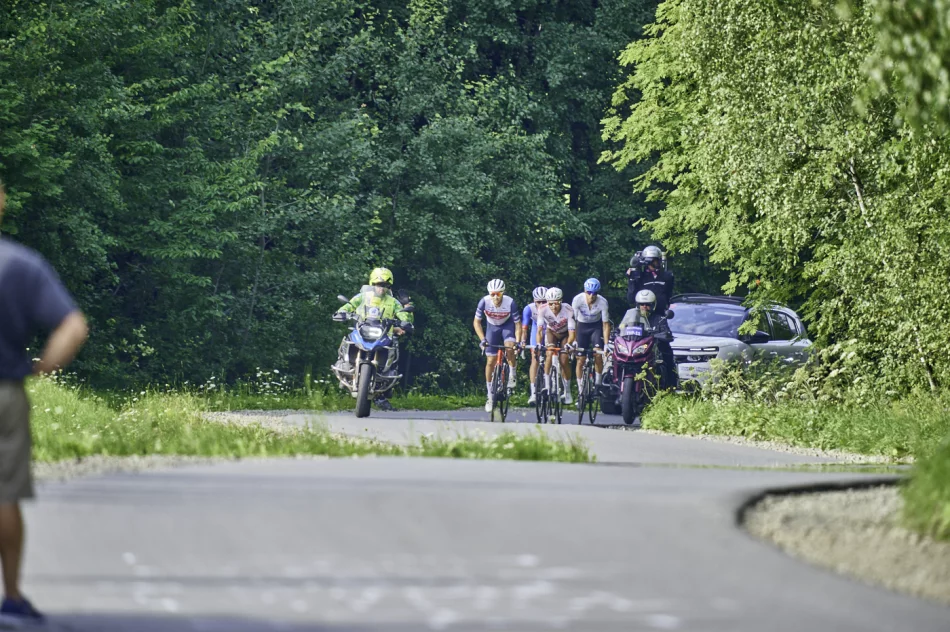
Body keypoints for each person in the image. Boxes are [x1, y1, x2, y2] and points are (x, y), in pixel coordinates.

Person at [0, 183, 89, 625]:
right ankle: (12, 596)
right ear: (2, 202)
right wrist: (44, 367)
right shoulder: (20, 264)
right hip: (3, 390)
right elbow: (73, 326)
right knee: (3, 494)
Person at [333, 268, 413, 410]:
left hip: (383, 335)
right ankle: (343, 362)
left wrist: (406, 312)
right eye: (379, 284)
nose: (382, 288)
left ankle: (385, 383)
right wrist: (342, 312)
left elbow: (404, 316)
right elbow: (349, 305)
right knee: (348, 339)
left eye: (386, 285)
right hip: (362, 330)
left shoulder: (393, 302)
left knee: (393, 347)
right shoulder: (362, 297)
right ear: (372, 283)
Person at [473, 279, 522, 413]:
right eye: (493, 294)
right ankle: (490, 396)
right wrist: (482, 339)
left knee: (510, 347)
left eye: (498, 294)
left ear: (503, 293)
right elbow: (476, 323)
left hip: (507, 326)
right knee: (490, 361)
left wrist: (518, 342)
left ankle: (512, 374)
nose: (495, 297)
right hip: (492, 327)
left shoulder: (510, 303)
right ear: (489, 294)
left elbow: (517, 325)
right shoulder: (484, 302)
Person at [618, 289, 675, 389]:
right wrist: (617, 332)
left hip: (650, 349)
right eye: (641, 304)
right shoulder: (632, 317)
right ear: (637, 305)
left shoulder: (659, 319)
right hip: (632, 348)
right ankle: (613, 380)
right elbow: (621, 328)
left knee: (667, 355)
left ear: (653, 305)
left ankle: (670, 385)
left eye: (647, 304)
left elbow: (666, 331)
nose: (644, 306)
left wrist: (663, 334)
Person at [571, 278, 610, 401]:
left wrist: (606, 344)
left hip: (595, 328)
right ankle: (580, 389)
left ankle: (598, 384)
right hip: (581, 327)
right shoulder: (577, 300)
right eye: (589, 292)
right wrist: (574, 339)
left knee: (598, 354)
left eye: (594, 293)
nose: (591, 296)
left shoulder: (602, 302)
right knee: (580, 359)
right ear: (585, 291)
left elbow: (605, 324)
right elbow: (573, 321)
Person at [536, 287, 576, 405]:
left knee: (564, 360)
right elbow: (539, 331)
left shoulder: (568, 309)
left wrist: (569, 344)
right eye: (551, 304)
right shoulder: (542, 309)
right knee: (549, 353)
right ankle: (547, 386)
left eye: (556, 303)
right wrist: (538, 344)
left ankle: (567, 391)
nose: (553, 306)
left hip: (565, 334)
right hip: (551, 332)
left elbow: (572, 333)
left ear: (561, 301)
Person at [626, 245, 674, 314]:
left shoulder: (666, 276)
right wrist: (631, 280)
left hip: (660, 314)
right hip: (643, 314)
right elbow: (631, 299)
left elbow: (669, 295)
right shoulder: (641, 277)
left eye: (657, 260)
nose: (657, 262)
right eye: (654, 260)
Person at [522, 286, 546, 405]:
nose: (541, 304)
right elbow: (525, 328)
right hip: (537, 330)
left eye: (544, 301)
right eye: (538, 302)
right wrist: (522, 341)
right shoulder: (529, 309)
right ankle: (533, 393)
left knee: (553, 355)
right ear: (534, 301)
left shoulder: (553, 307)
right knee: (534, 358)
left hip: (550, 329)